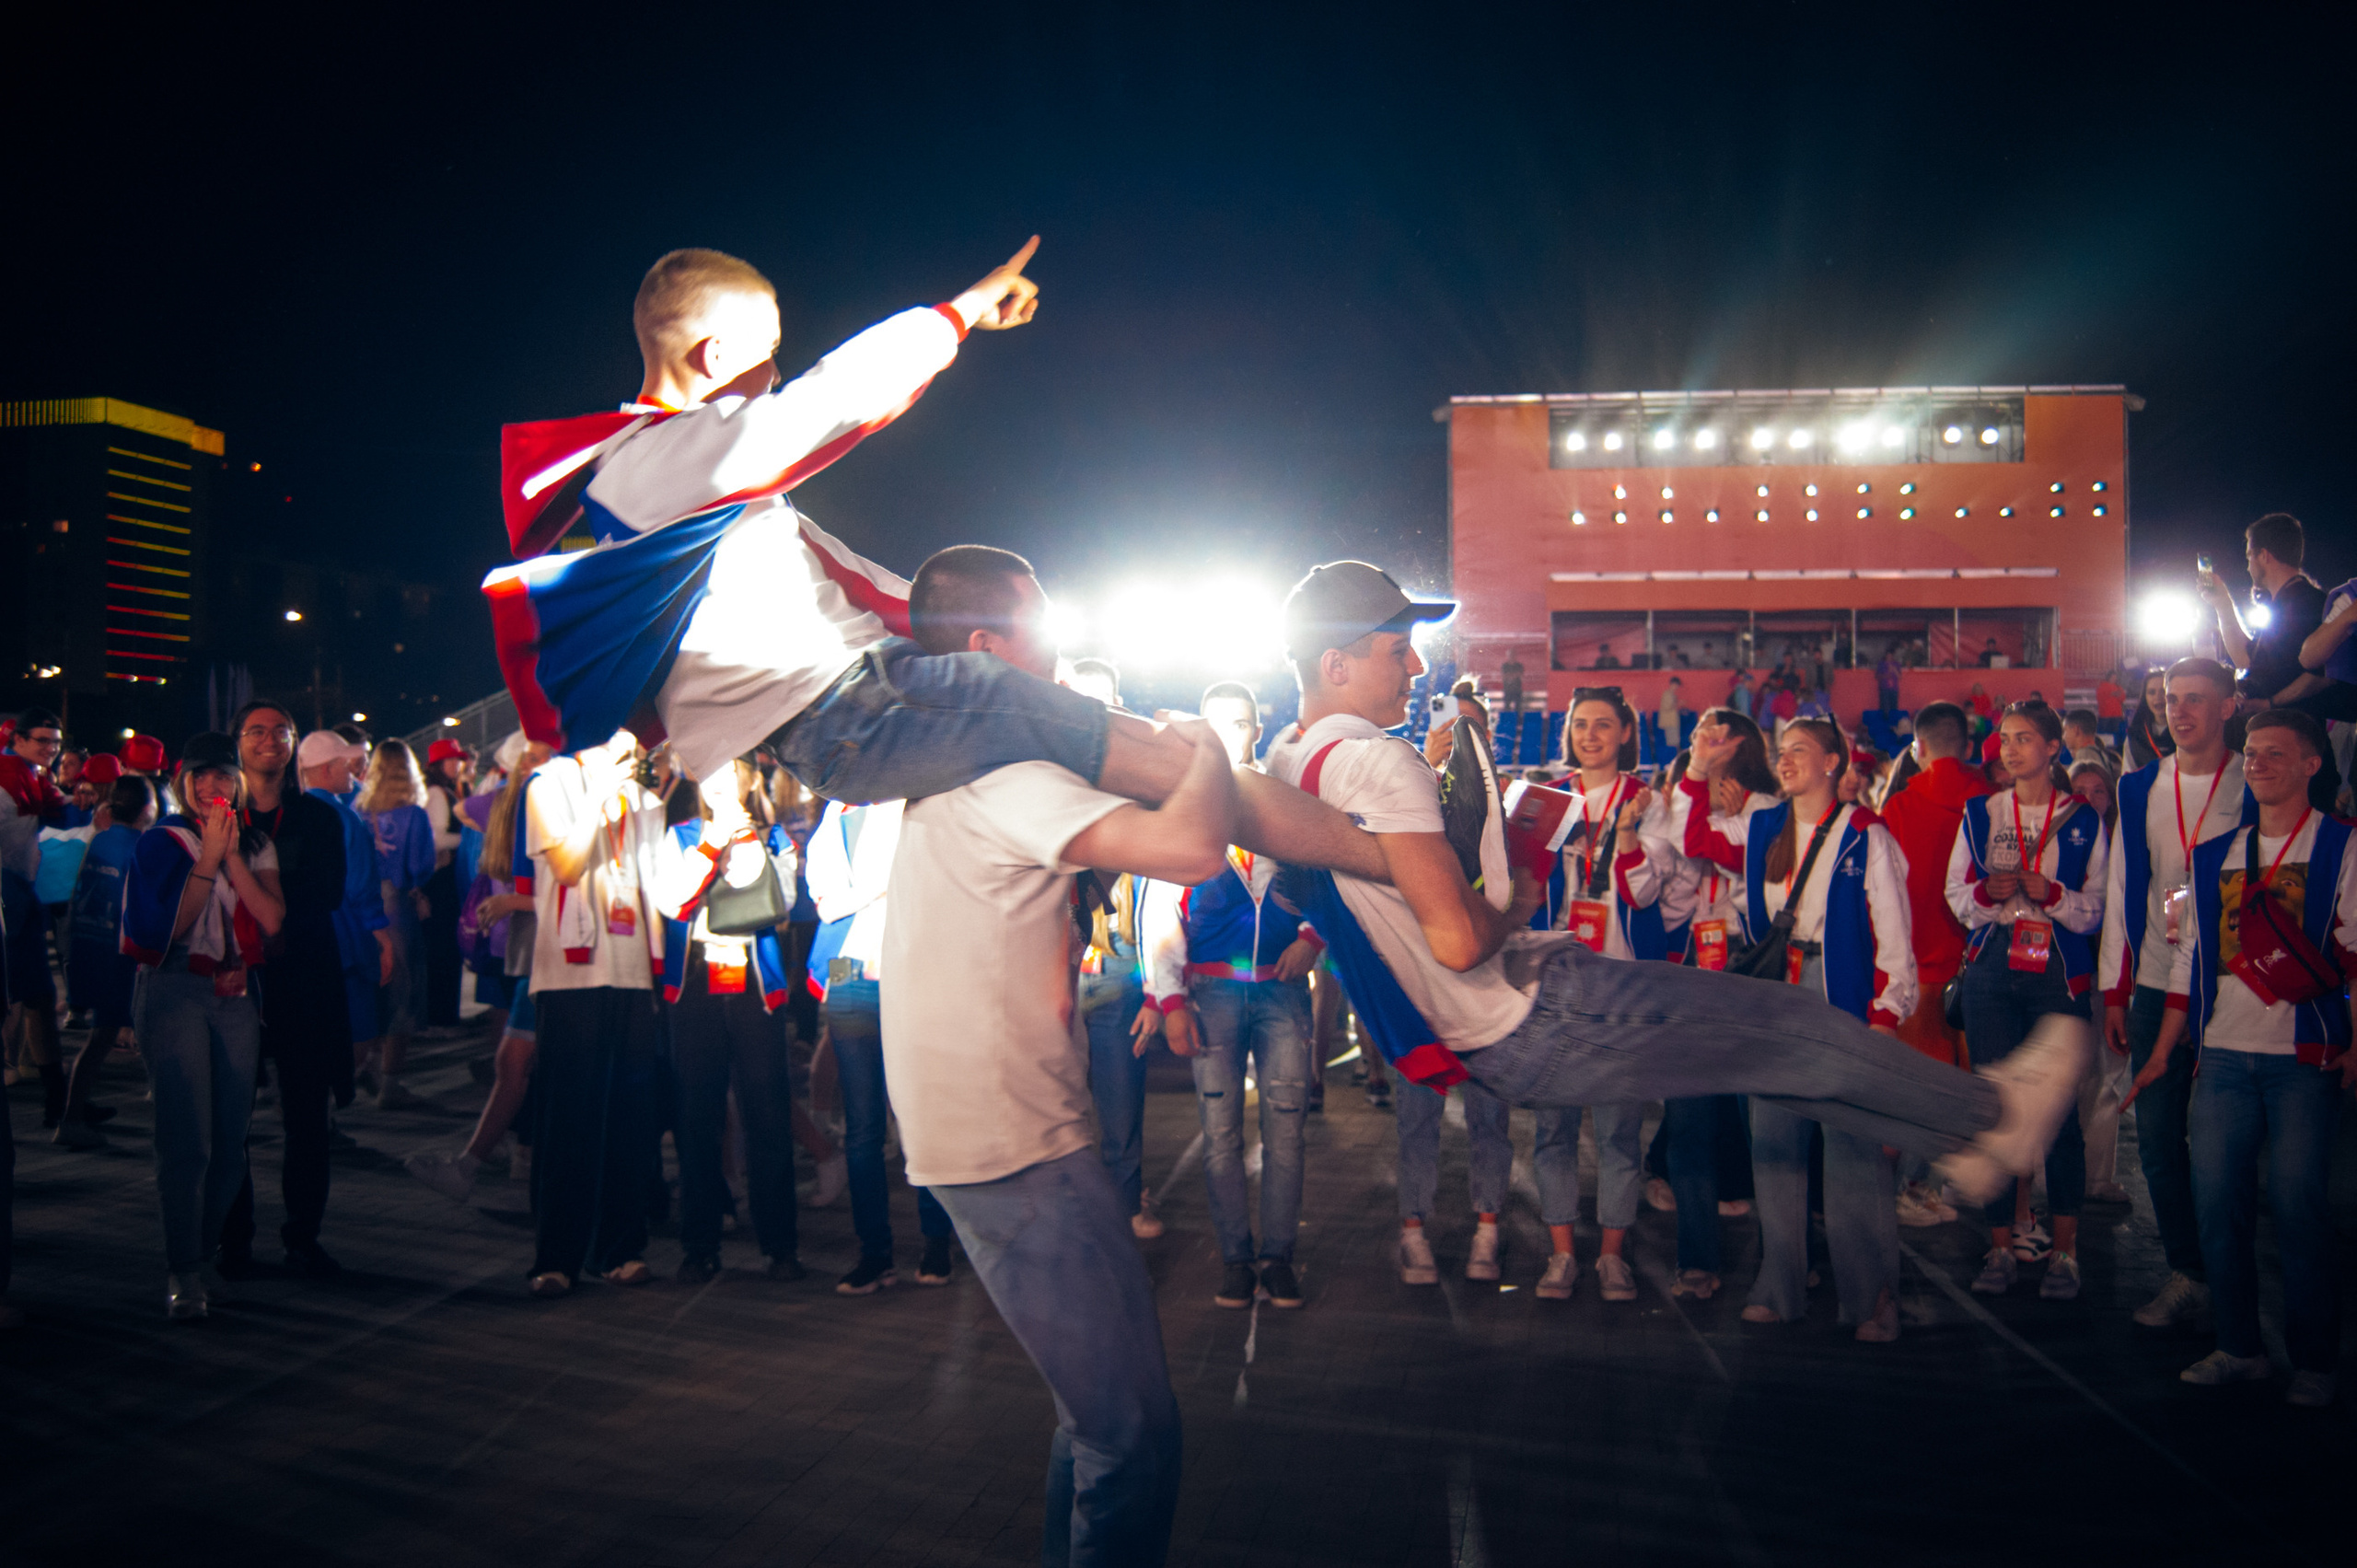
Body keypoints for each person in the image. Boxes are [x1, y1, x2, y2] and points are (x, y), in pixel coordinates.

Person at [480, 241, 1378, 889]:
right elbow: (826, 405)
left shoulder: (716, 499)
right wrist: (955, 315)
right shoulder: (654, 461)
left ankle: (1371, 852)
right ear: (715, 357)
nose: (775, 373)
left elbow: (859, 581)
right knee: (1132, 749)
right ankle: (1215, 847)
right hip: (845, 714)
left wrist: (969, 620)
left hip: (870, 691)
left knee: (1123, 734)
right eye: (766, 353)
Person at [1261, 561, 2084, 1244]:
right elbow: (1457, 940)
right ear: (1335, 663)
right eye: (1396, 649)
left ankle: (1959, 1141)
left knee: (1777, 1063)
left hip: (1491, 1036)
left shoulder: (1288, 757)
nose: (1415, 667)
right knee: (1789, 1027)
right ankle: (1991, 1112)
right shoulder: (1379, 763)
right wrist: (1517, 898)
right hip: (1533, 1011)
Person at [881, 545, 1239, 1565]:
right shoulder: (1004, 771)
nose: (1063, 640)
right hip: (1013, 1145)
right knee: (1131, 1433)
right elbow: (1191, 850)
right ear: (987, 648)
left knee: (1100, 1420)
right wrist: (1205, 749)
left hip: (1002, 1132)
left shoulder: (948, 764)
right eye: (1042, 620)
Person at [2126, 708, 2352, 1408]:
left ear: (2314, 763)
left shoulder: (2342, 845)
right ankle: (2240, 1346)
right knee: (2217, 1201)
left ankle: (2315, 1359)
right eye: (2252, 753)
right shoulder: (2214, 852)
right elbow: (2190, 957)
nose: (2256, 764)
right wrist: (2166, 1049)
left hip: (2304, 1054)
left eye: (2275, 754)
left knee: (2298, 1204)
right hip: (2221, 1052)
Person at [1684, 718, 1912, 1341]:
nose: (1785, 762)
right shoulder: (1763, 827)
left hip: (1840, 995)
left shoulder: (1867, 834)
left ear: (1835, 763)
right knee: (1774, 1144)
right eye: (1781, 752)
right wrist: (1699, 768)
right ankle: (1780, 1284)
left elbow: (1894, 932)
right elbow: (1699, 840)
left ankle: (1872, 1297)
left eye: (1800, 752)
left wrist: (1887, 1016)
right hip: (1776, 996)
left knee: (1850, 1151)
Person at [1145, 680, 1320, 1308]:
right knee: (1219, 1133)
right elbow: (1159, 910)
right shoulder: (1181, 804)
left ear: (1255, 728)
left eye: (1241, 722)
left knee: (1287, 1131)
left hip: (1281, 988)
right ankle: (1236, 1257)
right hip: (1213, 991)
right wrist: (1167, 1000)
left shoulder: (1282, 802)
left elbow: (1327, 873)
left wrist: (1312, 934)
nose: (1229, 733)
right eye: (1215, 723)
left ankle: (1277, 1255)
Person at [2096, 656, 2256, 1329]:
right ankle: (2188, 1272)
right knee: (2159, 1141)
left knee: (2226, 1153)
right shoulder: (2138, 787)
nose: (2178, 711)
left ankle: (2232, 1285)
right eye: (2168, 699)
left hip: (2235, 986)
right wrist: (2114, 985)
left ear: (2229, 705)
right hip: (2157, 983)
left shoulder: (2254, 779)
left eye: (2194, 698)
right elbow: (2120, 887)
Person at [1946, 702, 2108, 1299]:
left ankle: (2065, 1252)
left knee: (2059, 1115)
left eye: (2024, 739)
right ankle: (1999, 1247)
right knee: (1994, 1106)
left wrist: (2058, 894)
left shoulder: (2084, 818)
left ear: (2052, 749)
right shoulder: (1980, 811)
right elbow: (1955, 893)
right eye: (2004, 740)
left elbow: (2098, 907)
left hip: (2057, 970)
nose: (2011, 750)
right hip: (1992, 965)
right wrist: (1987, 894)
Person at [122, 734, 284, 1319]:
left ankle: (204, 1251)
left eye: (224, 777)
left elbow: (270, 918)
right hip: (175, 991)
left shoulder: (257, 841)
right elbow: (166, 931)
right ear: (182, 783)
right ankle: (182, 1268)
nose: (214, 788)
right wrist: (209, 857)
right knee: (186, 1139)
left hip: (235, 993)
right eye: (202, 777)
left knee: (230, 1144)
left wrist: (233, 853)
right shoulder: (160, 842)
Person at [1536, 688, 1674, 1301]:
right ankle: (1562, 1252)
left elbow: (1647, 897)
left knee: (1620, 1130)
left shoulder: (1650, 803)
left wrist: (1625, 837)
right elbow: (1520, 886)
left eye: (1602, 725)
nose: (1589, 734)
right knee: (1553, 1128)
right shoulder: (1545, 801)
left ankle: (1612, 1255)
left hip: (1621, 983)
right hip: (1555, 981)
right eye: (1580, 724)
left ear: (1624, 733)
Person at [215, 701, 362, 1280]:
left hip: (304, 978)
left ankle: (304, 1236)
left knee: (307, 1118)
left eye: (282, 732)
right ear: (238, 743)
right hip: (237, 979)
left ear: (295, 744)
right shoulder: (224, 817)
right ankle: (234, 1237)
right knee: (232, 1117)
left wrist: (272, 920)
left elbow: (327, 895)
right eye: (257, 732)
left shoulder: (320, 818)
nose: (270, 741)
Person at [519, 733, 668, 1295]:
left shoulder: (643, 800)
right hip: (569, 976)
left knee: (630, 1117)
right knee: (569, 1117)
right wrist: (602, 791)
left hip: (630, 973)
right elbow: (565, 864)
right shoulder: (550, 781)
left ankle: (620, 1248)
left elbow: (656, 890)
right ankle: (556, 1255)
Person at [656, 761, 806, 1283]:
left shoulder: (773, 836)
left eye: (730, 770)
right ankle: (699, 1244)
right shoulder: (679, 835)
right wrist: (710, 843)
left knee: (767, 1114)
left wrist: (741, 837)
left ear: (747, 780)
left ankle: (779, 1244)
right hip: (694, 982)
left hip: (755, 990)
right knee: (696, 1117)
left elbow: (778, 903)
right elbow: (672, 901)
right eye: (709, 772)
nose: (719, 781)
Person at [806, 795, 958, 1293]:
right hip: (848, 974)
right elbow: (823, 901)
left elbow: (927, 885)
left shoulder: (914, 799)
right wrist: (875, 887)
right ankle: (875, 1253)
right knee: (863, 1126)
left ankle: (938, 1241)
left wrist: (861, 891)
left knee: (920, 1115)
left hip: (912, 967)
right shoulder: (835, 814)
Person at [1648, 712, 1774, 1264]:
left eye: (1718, 735)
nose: (1707, 741)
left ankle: (1786, 1254)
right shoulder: (1686, 797)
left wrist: (1734, 815)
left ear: (1743, 744)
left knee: (1754, 1108)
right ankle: (1698, 1255)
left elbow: (1709, 845)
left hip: (1747, 962)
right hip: (1692, 959)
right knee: (1692, 1103)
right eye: (1700, 733)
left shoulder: (1769, 808)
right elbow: (1685, 847)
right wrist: (1697, 785)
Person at [1873, 701, 1991, 1225]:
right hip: (1980, 966)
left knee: (1916, 1085)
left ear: (1918, 750)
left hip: (1917, 964)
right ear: (1967, 748)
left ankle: (1907, 1187)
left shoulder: (1898, 806)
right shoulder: (1992, 804)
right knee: (1974, 1086)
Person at [409, 753, 540, 1203]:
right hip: (537, 953)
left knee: (517, 1061)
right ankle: (506, 1155)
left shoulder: (508, 802)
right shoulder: (530, 803)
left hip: (534, 950)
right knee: (519, 1062)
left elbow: (570, 889)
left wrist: (513, 904)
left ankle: (491, 1160)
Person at [1067, 658, 1167, 1241]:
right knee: (1056, 1107)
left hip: (1117, 967)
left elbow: (1161, 899)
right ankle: (1079, 1213)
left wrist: (1156, 988)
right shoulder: (1033, 787)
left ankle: (1127, 1203)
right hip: (1047, 972)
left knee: (1121, 1104)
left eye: (1101, 702)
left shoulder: (1141, 792)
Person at [54, 773, 154, 1145]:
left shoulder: (99, 840)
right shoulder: (142, 848)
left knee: (101, 1036)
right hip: (120, 958)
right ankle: (72, 1119)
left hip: (89, 948)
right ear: (147, 810)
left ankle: (74, 1111)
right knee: (108, 1037)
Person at [354, 741, 436, 1108]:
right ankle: (390, 1084)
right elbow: (421, 866)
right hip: (396, 908)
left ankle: (361, 1070)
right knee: (402, 992)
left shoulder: (358, 810)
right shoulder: (414, 815)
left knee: (368, 991)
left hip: (360, 909)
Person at [2067, 750, 2129, 1203]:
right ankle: (2055, 1177)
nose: (2088, 799)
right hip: (2067, 974)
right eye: (2079, 791)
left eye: (2098, 791)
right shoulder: (2058, 840)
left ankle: (2097, 1178)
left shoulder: (2128, 842)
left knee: (2107, 1079)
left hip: (2112, 979)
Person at [1, 708, 68, 1126]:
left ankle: (57, 1096)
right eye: (42, 740)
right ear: (19, 739)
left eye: (55, 743)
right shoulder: (10, 775)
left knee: (39, 997)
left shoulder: (27, 774)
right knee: (30, 997)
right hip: (10, 893)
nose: (50, 749)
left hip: (21, 892)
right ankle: (56, 1098)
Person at [2200, 514, 2335, 714]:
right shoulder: (2285, 603)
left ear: (2263, 555)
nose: (2248, 567)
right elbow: (2247, 660)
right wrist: (2222, 602)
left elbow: (2323, 674)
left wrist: (2270, 703)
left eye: (2249, 557)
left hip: (2296, 731)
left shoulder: (2304, 603)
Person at [419, 737, 472, 1033]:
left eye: (458, 759)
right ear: (438, 764)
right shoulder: (438, 794)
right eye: (451, 760)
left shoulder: (445, 791)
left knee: (445, 946)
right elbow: (436, 838)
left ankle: (442, 1011)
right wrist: (470, 839)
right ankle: (441, 1014)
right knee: (443, 945)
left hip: (444, 876)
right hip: (441, 879)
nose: (457, 765)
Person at [2124, 668, 2174, 771]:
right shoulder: (2135, 737)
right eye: (2151, 692)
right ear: (2144, 697)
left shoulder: (2186, 732)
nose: (2158, 697)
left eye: (2163, 691)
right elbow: (2128, 775)